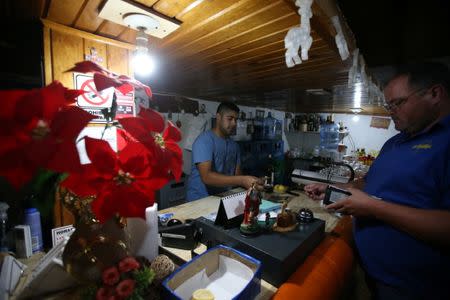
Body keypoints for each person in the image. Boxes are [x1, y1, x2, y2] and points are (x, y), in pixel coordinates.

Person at [305, 62, 450, 299]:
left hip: (415, 288)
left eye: (398, 103)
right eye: (388, 104)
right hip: (371, 273)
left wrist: (373, 207)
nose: (390, 111)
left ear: (434, 94)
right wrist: (334, 189)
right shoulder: (395, 142)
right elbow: (369, 184)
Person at [187, 102, 262, 201]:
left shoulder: (234, 146)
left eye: (236, 119)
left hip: (223, 200)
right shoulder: (204, 141)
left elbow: (237, 176)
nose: (234, 123)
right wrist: (243, 180)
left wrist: (252, 183)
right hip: (199, 202)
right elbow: (206, 177)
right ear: (218, 117)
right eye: (230, 119)